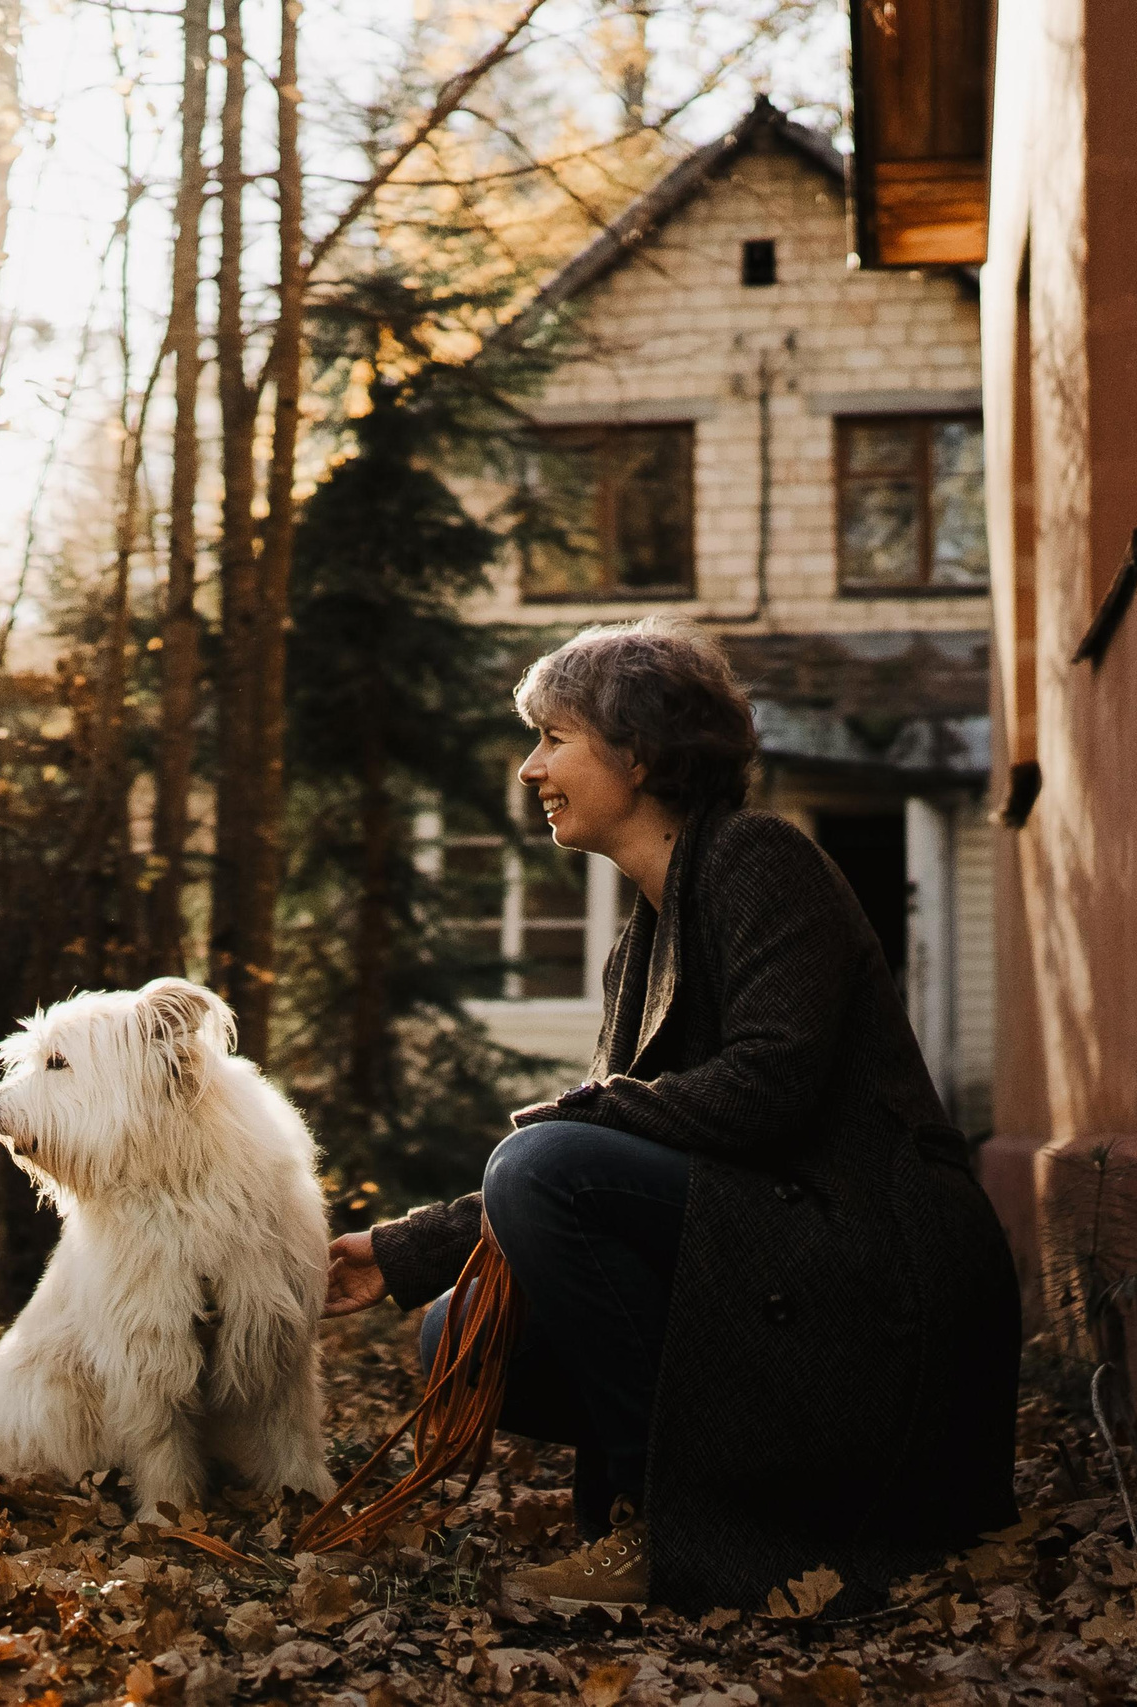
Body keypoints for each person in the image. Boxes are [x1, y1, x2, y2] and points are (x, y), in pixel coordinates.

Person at [323, 616, 1020, 1616]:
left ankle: (671, 1529)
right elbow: (615, 1150)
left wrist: (577, 1115)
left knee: (544, 1162)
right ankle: (731, 1504)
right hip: (775, 1251)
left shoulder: (757, 860)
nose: (531, 771)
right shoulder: (640, 946)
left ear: (639, 755)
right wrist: (403, 1251)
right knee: (458, 1333)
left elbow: (766, 1087)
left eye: (554, 740)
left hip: (874, 1274)